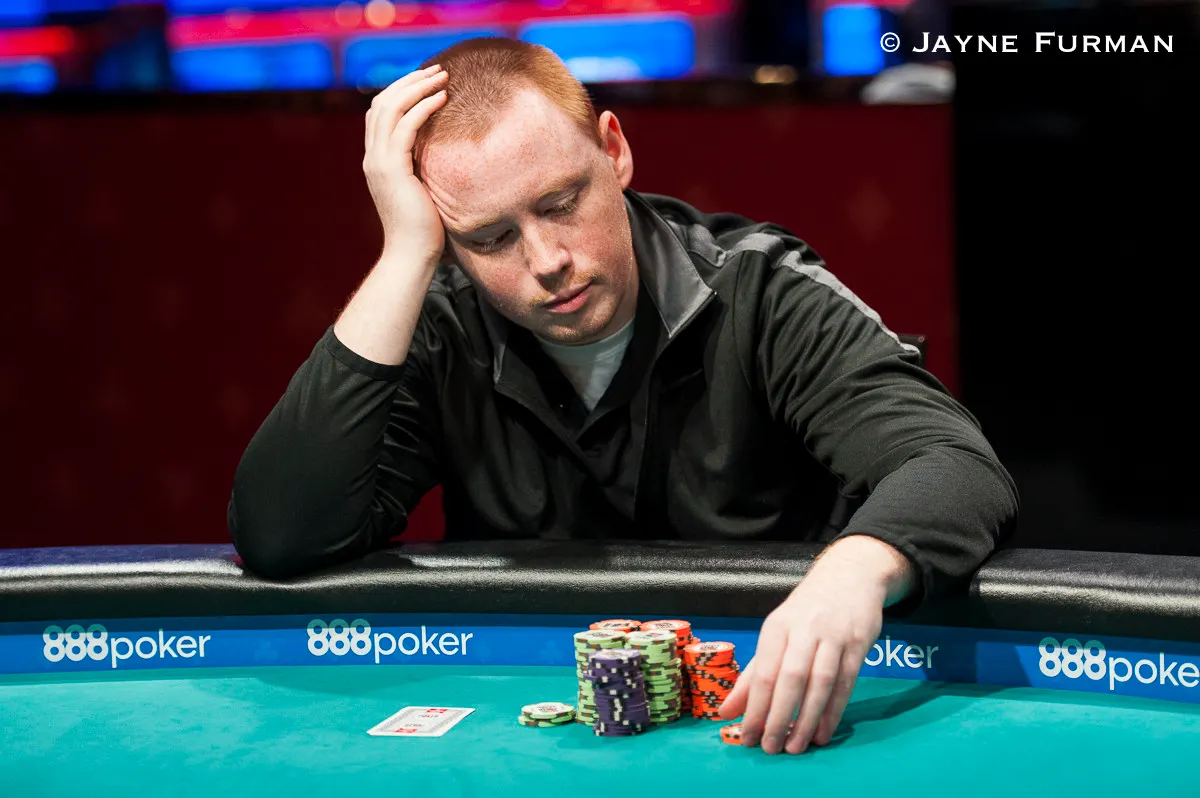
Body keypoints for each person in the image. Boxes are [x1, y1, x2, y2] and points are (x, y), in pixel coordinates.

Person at [227, 37, 1018, 756]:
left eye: (561, 203)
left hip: (766, 724)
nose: (547, 260)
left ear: (614, 150)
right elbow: (282, 532)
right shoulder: (440, 330)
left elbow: (954, 462)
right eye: (490, 239)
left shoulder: (761, 293)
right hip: (528, 748)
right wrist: (405, 254)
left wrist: (853, 575)